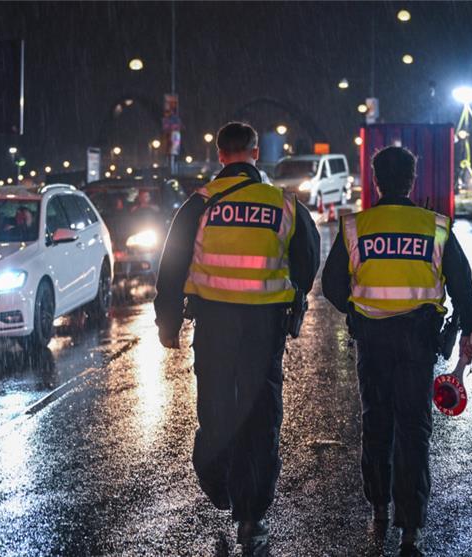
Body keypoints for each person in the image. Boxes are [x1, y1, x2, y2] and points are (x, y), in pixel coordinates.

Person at [154, 122, 320, 555]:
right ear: (253, 152)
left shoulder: (199, 203)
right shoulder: (283, 203)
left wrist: (167, 321)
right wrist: (292, 295)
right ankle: (252, 516)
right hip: (263, 329)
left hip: (215, 326)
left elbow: (171, 266)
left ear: (220, 154)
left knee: (215, 410)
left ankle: (220, 482)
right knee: (261, 415)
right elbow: (308, 256)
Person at [322, 146, 472, 556]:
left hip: (372, 339)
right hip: (418, 339)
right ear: (412, 180)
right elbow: (461, 281)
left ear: (376, 181)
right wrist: (471, 327)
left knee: (377, 421)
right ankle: (409, 527)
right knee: (413, 429)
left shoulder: (356, 226)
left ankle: (378, 504)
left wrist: (357, 311)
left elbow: (332, 286)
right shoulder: (435, 225)